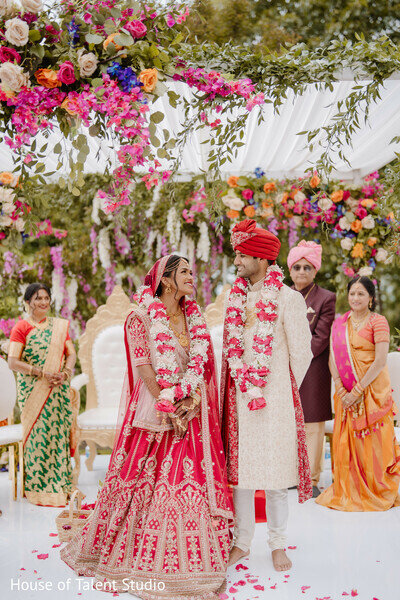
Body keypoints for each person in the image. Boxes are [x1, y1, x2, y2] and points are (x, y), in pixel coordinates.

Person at [61, 255, 234, 599]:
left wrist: (189, 400)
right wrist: (168, 406)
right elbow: (144, 369)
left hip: (192, 410)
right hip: (157, 412)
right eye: (184, 271)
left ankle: (196, 542)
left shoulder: (193, 316)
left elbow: (200, 366)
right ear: (167, 280)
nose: (191, 276)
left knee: (193, 484)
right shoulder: (140, 318)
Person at [220, 219, 313, 573]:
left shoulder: (287, 298)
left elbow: (302, 352)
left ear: (261, 258)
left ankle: (277, 543)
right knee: (241, 474)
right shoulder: (236, 297)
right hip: (240, 398)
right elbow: (229, 349)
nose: (238, 261)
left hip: (275, 399)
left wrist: (280, 390)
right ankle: (242, 542)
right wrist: (243, 382)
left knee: (274, 475)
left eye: (243, 255)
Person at [317, 276, 400, 511]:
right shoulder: (340, 324)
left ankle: (376, 488)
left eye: (361, 294)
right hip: (345, 393)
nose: (355, 298)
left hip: (371, 392)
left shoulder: (378, 322)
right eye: (352, 293)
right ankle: (349, 488)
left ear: (370, 298)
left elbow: (380, 360)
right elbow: (332, 358)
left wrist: (358, 390)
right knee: (347, 441)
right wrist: (342, 389)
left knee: (374, 441)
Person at [8, 283, 76, 507]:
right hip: (32, 391)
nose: (44, 302)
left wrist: (65, 374)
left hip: (56, 390)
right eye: (38, 298)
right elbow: (13, 361)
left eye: (46, 297)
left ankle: (59, 486)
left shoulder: (59, 326)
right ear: (28, 302)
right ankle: (37, 489)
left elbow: (71, 354)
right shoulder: (21, 327)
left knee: (56, 436)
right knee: (38, 438)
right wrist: (40, 372)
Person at [287, 240, 336, 497]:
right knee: (290, 423)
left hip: (314, 369)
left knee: (313, 424)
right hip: (286, 370)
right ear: (290, 270)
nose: (302, 272)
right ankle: (291, 476)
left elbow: (320, 338)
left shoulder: (326, 298)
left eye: (307, 267)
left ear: (315, 270)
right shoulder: (283, 295)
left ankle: (313, 479)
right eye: (297, 267)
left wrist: (296, 360)